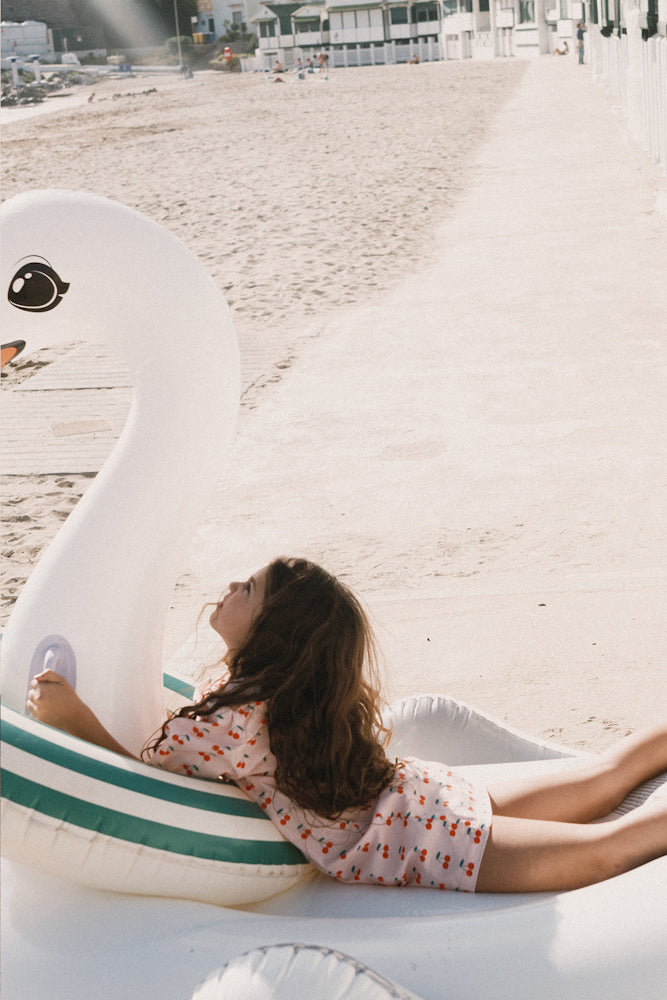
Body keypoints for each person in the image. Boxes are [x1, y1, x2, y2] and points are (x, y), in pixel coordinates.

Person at [27, 557, 667, 894]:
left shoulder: (230, 716)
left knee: (609, 849)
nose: (230, 586)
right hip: (411, 798)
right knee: (607, 776)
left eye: (248, 588)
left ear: (271, 630)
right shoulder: (280, 694)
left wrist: (76, 721)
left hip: (420, 837)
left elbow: (145, 786)